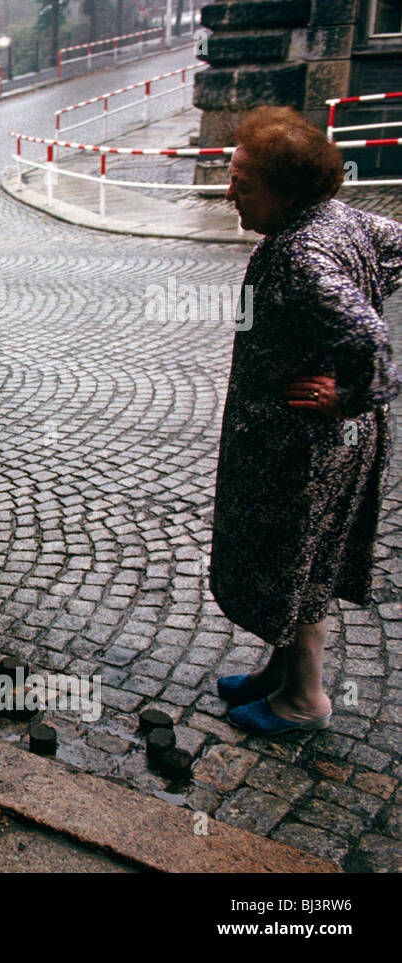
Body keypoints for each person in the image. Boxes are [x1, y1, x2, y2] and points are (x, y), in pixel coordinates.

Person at [211, 106, 402, 734]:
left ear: (287, 193)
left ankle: (305, 701)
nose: (228, 189)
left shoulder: (302, 255)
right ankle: (281, 674)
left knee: (301, 561)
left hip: (306, 447)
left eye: (244, 180)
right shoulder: (337, 218)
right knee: (296, 558)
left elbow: (374, 347)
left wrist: (348, 396)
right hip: (320, 445)